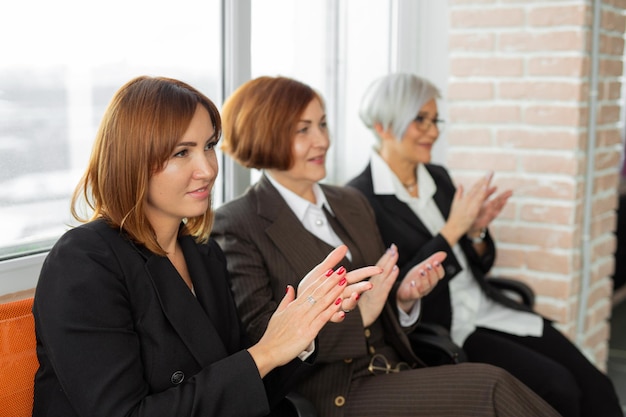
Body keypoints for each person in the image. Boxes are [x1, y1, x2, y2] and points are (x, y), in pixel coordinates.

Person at [32, 75, 383, 417]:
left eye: (209, 146)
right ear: (132, 160)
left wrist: (300, 331)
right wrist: (266, 351)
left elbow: (247, 393)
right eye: (182, 152)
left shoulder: (203, 254)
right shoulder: (84, 261)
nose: (207, 169)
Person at [211, 75, 561, 417]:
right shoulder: (237, 222)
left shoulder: (350, 202)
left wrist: (404, 299)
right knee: (493, 386)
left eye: (323, 124)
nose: (322, 141)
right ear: (263, 133)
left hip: (394, 367)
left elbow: (383, 306)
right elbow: (262, 339)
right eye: (303, 130)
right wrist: (362, 313)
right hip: (332, 390)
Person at [347, 72, 624, 417]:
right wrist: (451, 232)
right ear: (384, 125)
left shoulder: (438, 178)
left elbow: (479, 263)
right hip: (448, 328)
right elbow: (395, 292)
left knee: (597, 384)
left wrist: (475, 232)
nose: (433, 131)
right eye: (421, 120)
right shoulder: (359, 200)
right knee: (559, 387)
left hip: (486, 306)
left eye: (435, 120)